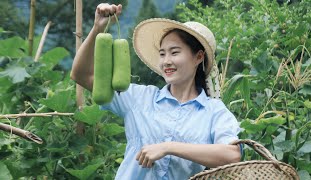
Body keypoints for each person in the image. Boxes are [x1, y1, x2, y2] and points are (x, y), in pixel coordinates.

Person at [70, 3, 242, 180]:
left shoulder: (213, 111)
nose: (166, 61)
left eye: (174, 52)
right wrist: (98, 28)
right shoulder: (139, 98)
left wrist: (168, 147)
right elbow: (81, 75)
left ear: (198, 57)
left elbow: (232, 154)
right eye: (162, 54)